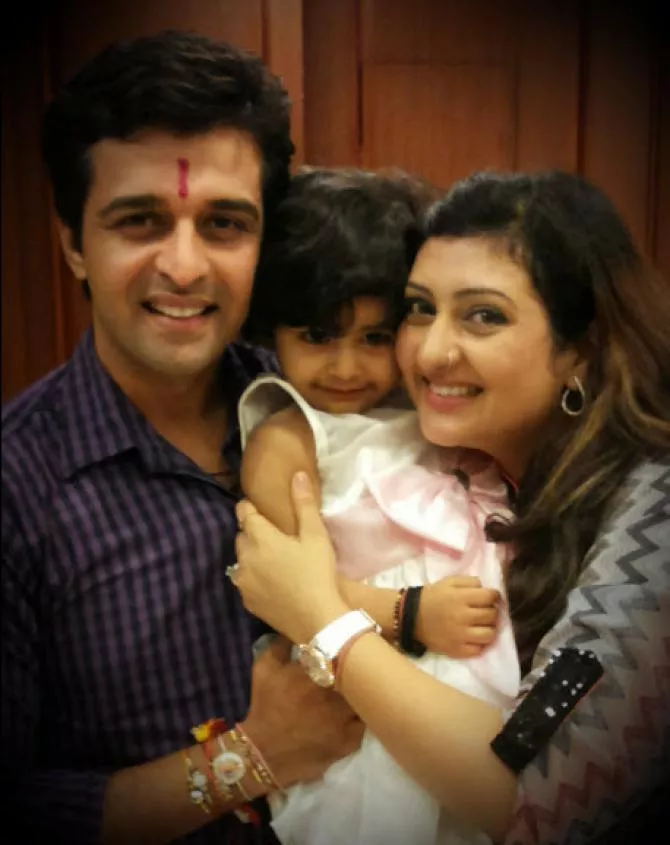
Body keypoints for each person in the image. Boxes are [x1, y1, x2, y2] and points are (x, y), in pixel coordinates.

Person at [1, 31, 367, 845]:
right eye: (140, 221)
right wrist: (251, 758)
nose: (186, 266)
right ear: (73, 243)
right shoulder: (17, 486)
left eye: (225, 223)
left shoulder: (330, 406)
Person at [233, 170, 670, 844]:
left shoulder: (652, 513)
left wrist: (322, 615)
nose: (432, 351)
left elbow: (546, 794)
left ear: (580, 349)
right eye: (418, 309)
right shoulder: (458, 453)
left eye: (484, 315)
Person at [234, 166, 520, 845]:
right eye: (317, 336)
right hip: (367, 679)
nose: (347, 368)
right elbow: (283, 589)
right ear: (273, 331)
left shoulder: (428, 408)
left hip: (480, 662)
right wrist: (410, 613)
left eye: (373, 337)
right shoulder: (288, 436)